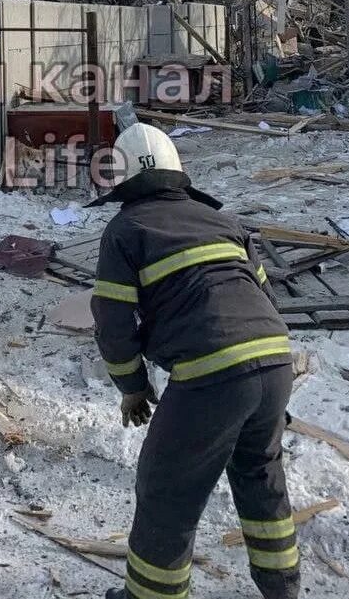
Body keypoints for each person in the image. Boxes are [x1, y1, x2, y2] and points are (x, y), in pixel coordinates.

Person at [89, 123, 299, 599]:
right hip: (273, 359)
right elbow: (265, 298)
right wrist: (266, 383)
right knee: (261, 478)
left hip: (212, 375)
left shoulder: (127, 229)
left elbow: (112, 320)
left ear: (122, 181)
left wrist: (133, 388)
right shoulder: (225, 221)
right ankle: (283, 590)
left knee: (167, 491)